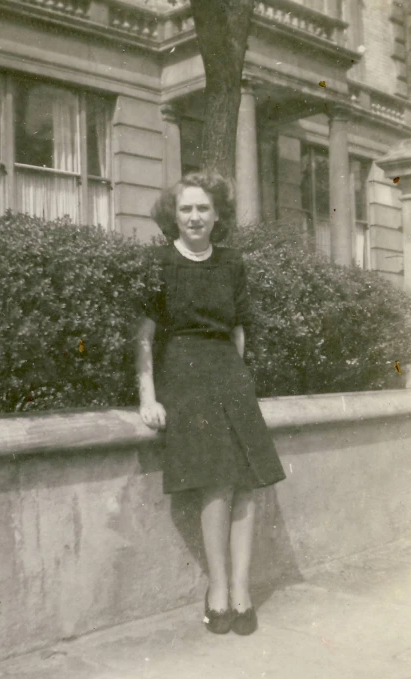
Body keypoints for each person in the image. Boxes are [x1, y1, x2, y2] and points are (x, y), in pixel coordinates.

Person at [136, 172, 286, 636]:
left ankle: (242, 588)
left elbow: (239, 328)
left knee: (247, 482)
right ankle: (217, 589)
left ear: (217, 215)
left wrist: (235, 379)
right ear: (173, 216)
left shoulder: (231, 262)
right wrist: (149, 396)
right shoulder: (159, 262)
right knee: (216, 483)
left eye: (203, 209)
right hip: (183, 369)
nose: (195, 217)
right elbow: (144, 335)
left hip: (227, 371)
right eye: (186, 209)